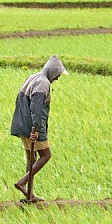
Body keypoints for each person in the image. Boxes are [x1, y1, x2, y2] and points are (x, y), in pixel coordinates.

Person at [11, 55, 67, 201]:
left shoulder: (33, 77)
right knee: (46, 155)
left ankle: (29, 195)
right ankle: (22, 183)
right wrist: (35, 129)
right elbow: (36, 108)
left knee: (31, 156)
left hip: (21, 122)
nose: (57, 78)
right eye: (57, 75)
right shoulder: (43, 83)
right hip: (32, 125)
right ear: (52, 72)